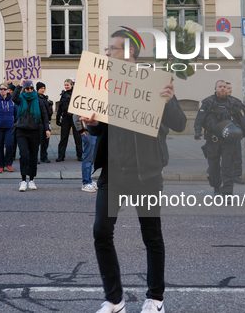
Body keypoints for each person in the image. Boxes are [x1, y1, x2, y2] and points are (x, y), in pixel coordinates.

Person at [88, 29, 186, 313]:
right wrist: (91, 122)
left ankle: (155, 300)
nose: (107, 53)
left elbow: (179, 123)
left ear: (130, 53)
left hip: (146, 174)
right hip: (113, 174)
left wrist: (167, 100)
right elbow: (100, 128)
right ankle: (115, 300)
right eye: (107, 49)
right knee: (101, 232)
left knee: (151, 236)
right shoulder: (106, 84)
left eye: (113, 49)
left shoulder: (155, 82)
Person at [195, 80, 245, 199]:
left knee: (227, 166)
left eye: (224, 87)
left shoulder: (233, 103)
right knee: (213, 166)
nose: (222, 89)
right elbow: (199, 119)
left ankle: (227, 192)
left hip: (228, 140)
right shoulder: (208, 102)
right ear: (215, 88)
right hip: (213, 139)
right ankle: (216, 188)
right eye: (220, 87)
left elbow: (242, 121)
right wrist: (197, 132)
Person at [12, 79, 51, 192]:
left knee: (33, 156)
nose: (29, 90)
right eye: (27, 88)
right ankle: (23, 180)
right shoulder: (21, 99)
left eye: (31, 88)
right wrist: (19, 86)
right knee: (24, 155)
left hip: (35, 131)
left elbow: (44, 116)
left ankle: (32, 179)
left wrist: (47, 129)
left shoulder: (39, 100)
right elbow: (14, 97)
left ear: (33, 89)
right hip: (22, 131)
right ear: (24, 89)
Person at [226, 82, 245, 184]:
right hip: (223, 132)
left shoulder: (235, 101)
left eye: (230, 88)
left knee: (237, 154)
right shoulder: (216, 102)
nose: (229, 90)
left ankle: (236, 175)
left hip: (235, 132)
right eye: (227, 88)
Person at [56, 78, 83, 162]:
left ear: (72, 85)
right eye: (65, 85)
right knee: (63, 138)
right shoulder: (63, 94)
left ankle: (80, 155)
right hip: (66, 118)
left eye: (67, 85)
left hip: (75, 118)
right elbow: (60, 107)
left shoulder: (76, 94)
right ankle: (61, 155)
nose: (66, 86)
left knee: (77, 137)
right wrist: (58, 118)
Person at [73, 113, 97, 192]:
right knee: (88, 157)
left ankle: (88, 180)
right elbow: (76, 116)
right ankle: (86, 182)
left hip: (92, 132)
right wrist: (81, 130)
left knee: (91, 158)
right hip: (88, 132)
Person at [36, 82, 53, 164]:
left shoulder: (45, 98)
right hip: (38, 122)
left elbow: (48, 112)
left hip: (45, 121)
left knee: (45, 140)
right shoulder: (36, 98)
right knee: (37, 141)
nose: (43, 90)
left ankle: (44, 156)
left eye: (44, 88)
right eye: (41, 88)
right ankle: (34, 157)